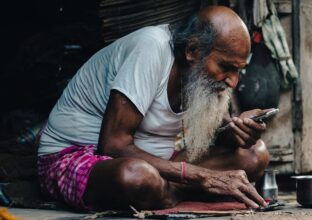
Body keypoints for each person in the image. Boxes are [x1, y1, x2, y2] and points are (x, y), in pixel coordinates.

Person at [37, 6, 270, 211]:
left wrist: (237, 131)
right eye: (226, 67)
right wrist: (205, 177)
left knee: (255, 154)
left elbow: (218, 131)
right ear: (192, 51)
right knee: (137, 177)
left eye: (239, 70)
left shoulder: (204, 76)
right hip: (78, 157)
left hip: (161, 166)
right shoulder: (151, 47)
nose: (233, 81)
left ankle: (165, 194)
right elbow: (112, 146)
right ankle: (173, 192)